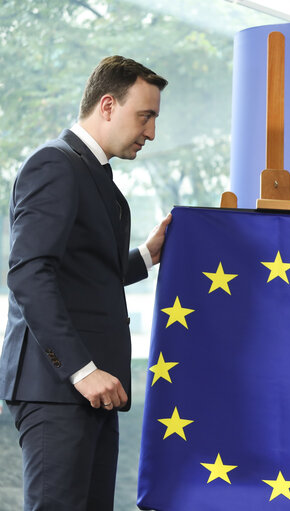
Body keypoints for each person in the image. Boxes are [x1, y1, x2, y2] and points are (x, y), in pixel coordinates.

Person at [0, 55, 172, 510]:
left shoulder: (94, 174)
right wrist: (81, 369)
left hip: (92, 390)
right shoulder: (54, 165)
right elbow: (28, 274)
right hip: (61, 387)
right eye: (146, 116)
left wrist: (147, 256)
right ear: (109, 105)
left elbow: (84, 272)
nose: (151, 132)